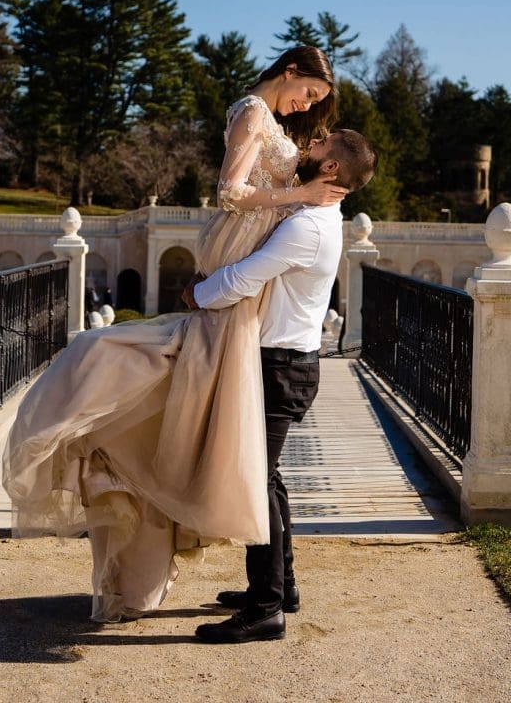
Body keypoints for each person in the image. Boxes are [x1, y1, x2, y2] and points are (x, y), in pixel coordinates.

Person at [3, 46, 344, 622]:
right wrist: (299, 195)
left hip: (248, 288)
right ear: (290, 72)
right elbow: (230, 193)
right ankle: (268, 590)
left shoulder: (273, 127)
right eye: (308, 94)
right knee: (232, 437)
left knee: (252, 455)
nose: (305, 108)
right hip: (239, 277)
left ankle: (275, 590)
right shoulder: (253, 113)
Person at [188, 130, 377, 643]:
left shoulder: (309, 228)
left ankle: (266, 609)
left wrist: (196, 294)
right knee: (267, 480)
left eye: (323, 144)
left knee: (255, 481)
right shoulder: (314, 217)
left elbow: (243, 280)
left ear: (331, 169)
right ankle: (281, 588)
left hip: (280, 367)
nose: (311, 143)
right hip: (286, 362)